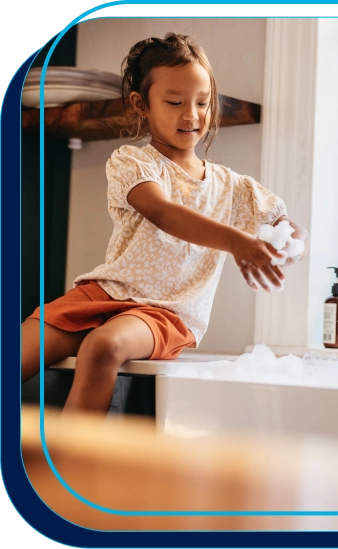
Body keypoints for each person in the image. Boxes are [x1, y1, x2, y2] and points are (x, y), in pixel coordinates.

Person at [21, 33, 310, 415]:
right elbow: (164, 212)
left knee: (102, 347)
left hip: (165, 313)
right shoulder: (132, 162)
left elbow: (289, 225)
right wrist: (239, 243)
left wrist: (288, 245)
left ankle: (69, 468)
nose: (191, 115)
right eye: (174, 102)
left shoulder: (233, 187)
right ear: (141, 104)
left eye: (203, 103)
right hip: (102, 294)